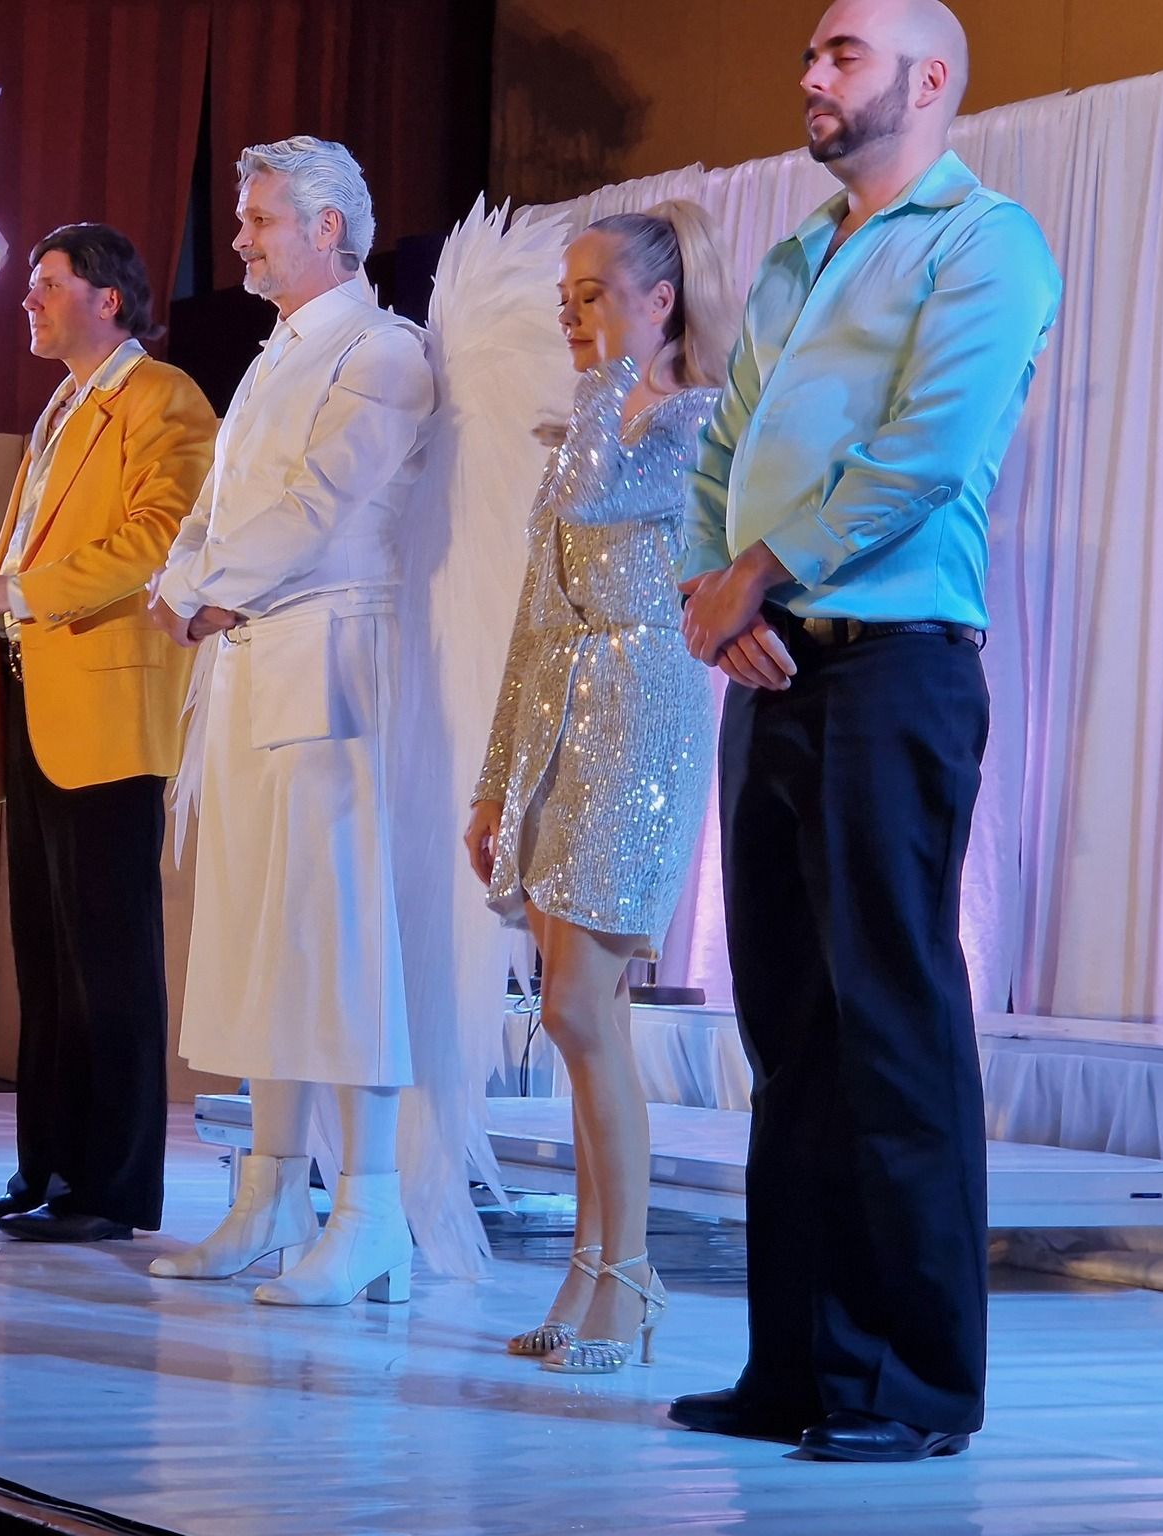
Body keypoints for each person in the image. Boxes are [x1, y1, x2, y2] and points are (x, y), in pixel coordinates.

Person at [667, 0, 1060, 1462]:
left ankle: (911, 1384)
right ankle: (801, 1366)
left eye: (841, 53)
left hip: (893, 664)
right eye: (810, 53)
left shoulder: (986, 242)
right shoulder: (792, 255)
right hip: (768, 665)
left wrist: (759, 572)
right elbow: (720, 450)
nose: (810, 73)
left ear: (929, 78)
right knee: (788, 1029)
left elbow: (924, 451)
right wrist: (708, 592)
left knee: (891, 1021)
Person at [145, 136, 435, 1306]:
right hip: (250, 658)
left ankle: (368, 1209)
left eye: (259, 219)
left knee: (338, 933)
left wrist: (213, 589)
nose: (238, 239)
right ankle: (266, 1195)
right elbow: (215, 505)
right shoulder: (276, 354)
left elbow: (322, 499)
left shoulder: (383, 349)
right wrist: (182, 585)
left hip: (331, 663)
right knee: (260, 933)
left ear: (326, 228)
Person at [464, 201, 736, 1372]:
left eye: (591, 295)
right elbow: (534, 617)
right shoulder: (586, 424)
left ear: (658, 301)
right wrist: (491, 783)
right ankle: (589, 1271)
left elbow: (591, 497)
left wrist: (603, 387)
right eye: (563, 299)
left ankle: (626, 1278)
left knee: (579, 1010)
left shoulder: (692, 422)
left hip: (641, 708)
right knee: (576, 1018)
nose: (571, 317)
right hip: (557, 717)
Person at [0, 224, 214, 1243]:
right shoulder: (61, 404)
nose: (28, 300)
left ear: (108, 299)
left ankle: (112, 1187)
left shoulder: (162, 396)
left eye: (47, 284)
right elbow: (38, 549)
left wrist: (18, 592)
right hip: (33, 695)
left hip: (106, 708)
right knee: (47, 958)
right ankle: (45, 1165)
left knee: (108, 956)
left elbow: (159, 536)